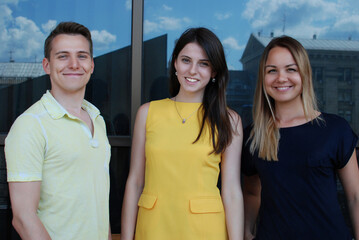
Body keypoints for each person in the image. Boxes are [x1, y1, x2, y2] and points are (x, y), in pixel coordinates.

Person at [121, 27, 244, 240]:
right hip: (152, 228)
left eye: (203, 63)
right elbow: (135, 182)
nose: (193, 70)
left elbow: (232, 190)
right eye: (186, 60)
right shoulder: (148, 113)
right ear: (175, 63)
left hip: (206, 230)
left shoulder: (229, 120)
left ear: (214, 71)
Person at [241, 35, 359, 240]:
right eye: (272, 71)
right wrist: (247, 232)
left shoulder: (335, 129)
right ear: (263, 78)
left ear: (304, 74)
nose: (281, 78)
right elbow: (252, 192)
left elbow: (355, 198)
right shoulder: (253, 135)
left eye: (291, 69)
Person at [5, 22, 112, 240]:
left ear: (91, 65)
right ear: (46, 65)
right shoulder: (30, 125)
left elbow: (98, 207)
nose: (74, 64)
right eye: (63, 56)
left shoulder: (97, 120)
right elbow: (24, 218)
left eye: (82, 56)